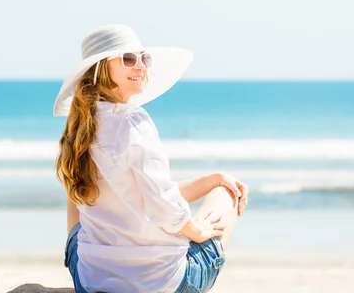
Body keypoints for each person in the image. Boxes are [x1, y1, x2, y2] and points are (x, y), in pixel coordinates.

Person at [53, 24, 248, 293]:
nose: (141, 67)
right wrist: (196, 231)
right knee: (227, 192)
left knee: (76, 191)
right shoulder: (132, 120)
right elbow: (161, 204)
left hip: (89, 280)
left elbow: (142, 194)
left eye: (143, 58)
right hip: (162, 284)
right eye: (128, 59)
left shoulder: (80, 126)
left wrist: (211, 178)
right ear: (99, 69)